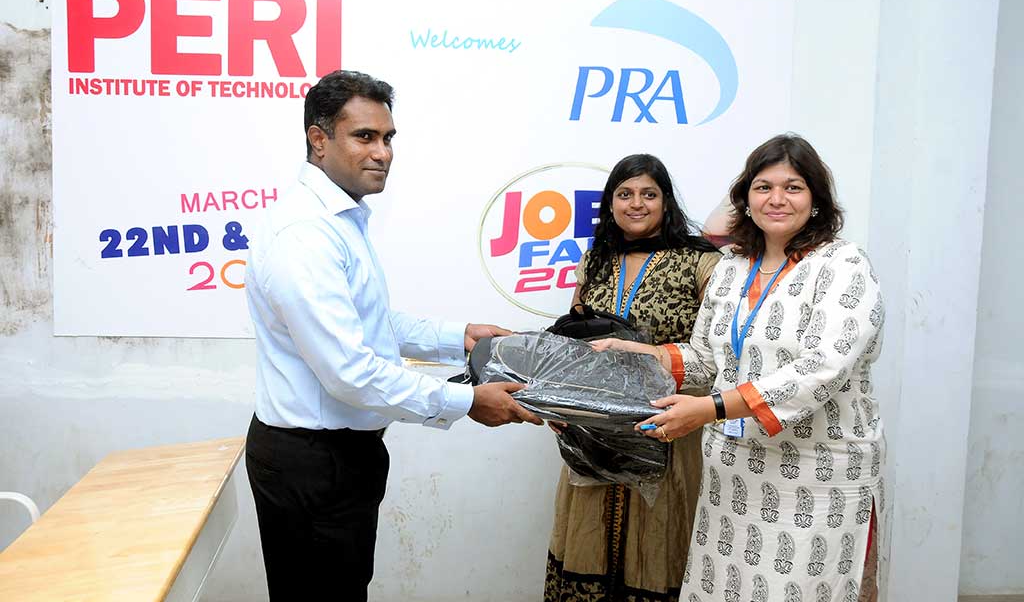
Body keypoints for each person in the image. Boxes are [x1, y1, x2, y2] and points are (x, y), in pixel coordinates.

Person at [244, 69, 542, 602]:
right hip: (314, 462)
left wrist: (460, 337)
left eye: (388, 138)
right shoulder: (306, 234)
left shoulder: (338, 217)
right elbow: (350, 373)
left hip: (337, 457)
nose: (383, 153)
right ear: (319, 140)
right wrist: (467, 401)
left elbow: (371, 321)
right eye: (365, 137)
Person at [596, 134, 885, 602]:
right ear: (745, 199)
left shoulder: (843, 265)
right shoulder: (732, 266)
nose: (776, 199)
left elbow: (821, 369)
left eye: (793, 187)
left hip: (817, 476)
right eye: (763, 187)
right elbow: (707, 359)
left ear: (816, 199)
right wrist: (639, 353)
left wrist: (709, 410)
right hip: (732, 470)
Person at [544, 154, 722, 602]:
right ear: (610, 203)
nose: (636, 204)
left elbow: (716, 353)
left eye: (648, 194)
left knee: (658, 542)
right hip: (595, 431)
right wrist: (558, 405)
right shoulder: (595, 260)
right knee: (589, 539)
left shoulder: (702, 263)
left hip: (668, 427)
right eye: (625, 194)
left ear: (666, 201)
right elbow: (572, 341)